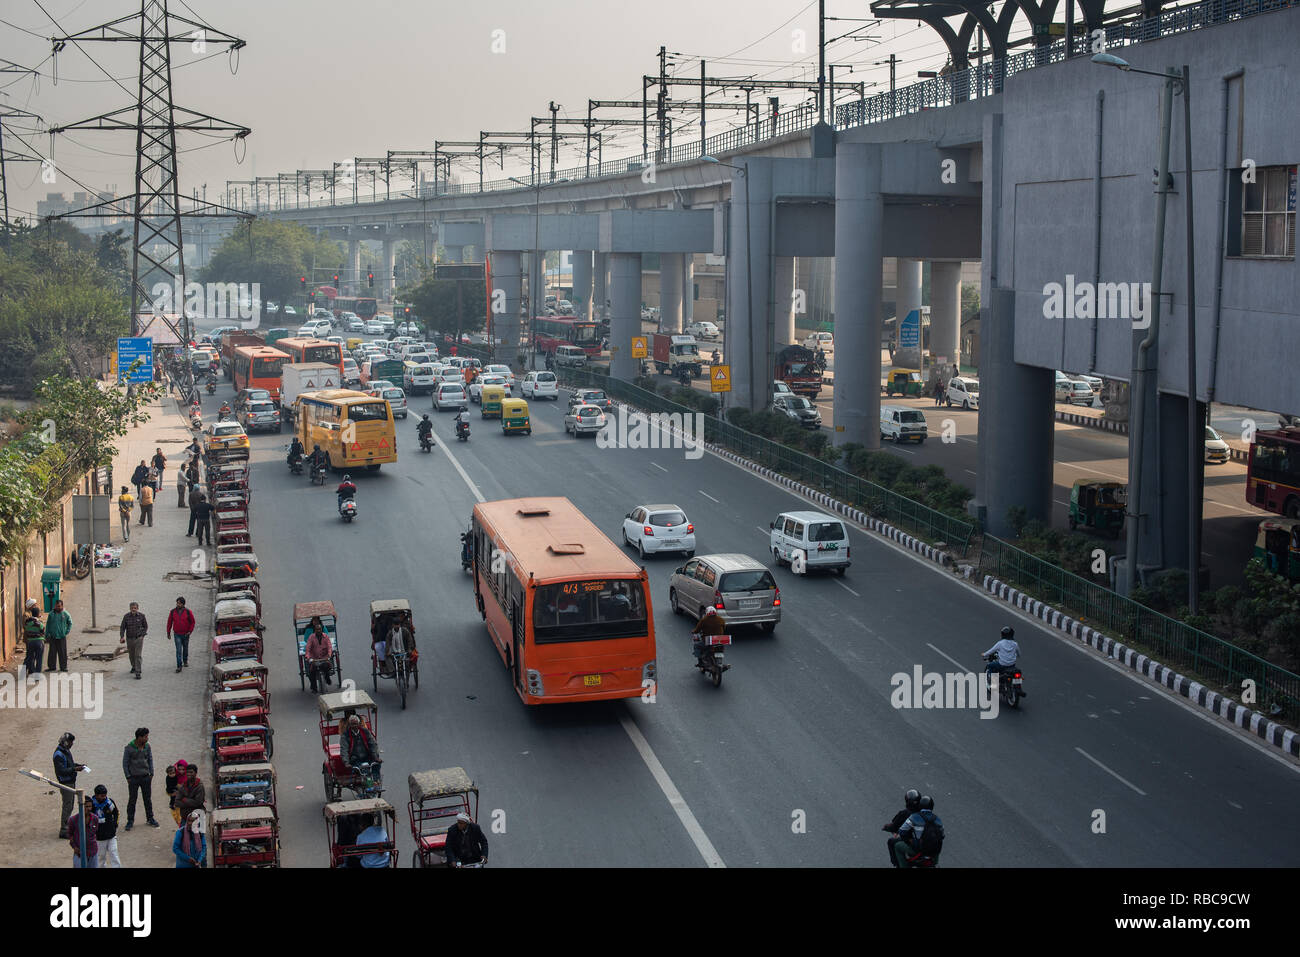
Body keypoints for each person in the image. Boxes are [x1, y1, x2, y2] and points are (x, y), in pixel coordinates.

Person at [121, 727, 159, 829]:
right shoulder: (129, 748)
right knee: (132, 799)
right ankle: (130, 820)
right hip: (133, 778)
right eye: (145, 737)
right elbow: (125, 763)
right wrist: (128, 776)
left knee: (147, 799)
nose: (147, 738)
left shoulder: (147, 747)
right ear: (139, 737)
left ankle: (150, 818)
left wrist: (151, 773)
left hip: (146, 777)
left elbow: (150, 759)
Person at [894, 795, 944, 867]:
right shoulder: (938, 819)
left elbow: (902, 831)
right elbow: (942, 836)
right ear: (932, 806)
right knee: (936, 847)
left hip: (919, 850)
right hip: (934, 852)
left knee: (898, 846)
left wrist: (909, 840)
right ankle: (935, 863)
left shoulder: (914, 817)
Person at [53, 733, 86, 838]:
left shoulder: (64, 751)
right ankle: (64, 829)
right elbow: (61, 770)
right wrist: (75, 769)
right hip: (66, 783)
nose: (72, 744)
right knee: (67, 805)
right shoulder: (59, 754)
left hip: (70, 781)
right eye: (71, 742)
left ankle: (66, 826)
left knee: (70, 804)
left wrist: (77, 766)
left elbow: (69, 765)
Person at [884, 788, 922, 868]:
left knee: (892, 842)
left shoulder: (905, 813)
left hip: (915, 843)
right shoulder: (925, 813)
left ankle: (897, 864)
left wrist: (886, 827)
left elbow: (893, 826)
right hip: (928, 843)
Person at [92, 785, 121, 868]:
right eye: (102, 796)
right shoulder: (92, 806)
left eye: (105, 795)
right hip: (99, 837)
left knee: (114, 854)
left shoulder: (109, 802)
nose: (104, 797)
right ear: (96, 795)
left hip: (111, 835)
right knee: (101, 857)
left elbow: (116, 813)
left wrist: (115, 824)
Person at [119, 601, 149, 678]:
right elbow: (122, 627)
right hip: (129, 639)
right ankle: (134, 666)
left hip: (139, 638)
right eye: (132, 608)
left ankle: (138, 672)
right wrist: (122, 637)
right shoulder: (126, 617)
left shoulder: (142, 616)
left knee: (138, 655)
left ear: (137, 608)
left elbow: (145, 626)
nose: (133, 609)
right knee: (131, 655)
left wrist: (142, 635)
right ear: (130, 608)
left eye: (135, 608)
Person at [67, 796, 99, 868]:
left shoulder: (95, 818)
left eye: (90, 806)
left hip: (92, 852)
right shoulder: (73, 820)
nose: (89, 809)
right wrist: (74, 847)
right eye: (86, 806)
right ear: (81, 807)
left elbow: (95, 832)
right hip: (79, 853)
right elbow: (70, 835)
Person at [166, 596, 195, 673]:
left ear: (183, 604)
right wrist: (168, 632)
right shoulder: (172, 612)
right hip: (177, 634)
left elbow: (192, 622)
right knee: (178, 650)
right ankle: (179, 666)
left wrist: (190, 631)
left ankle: (185, 660)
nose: (178, 604)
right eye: (177, 603)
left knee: (185, 648)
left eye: (179, 603)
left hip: (186, 634)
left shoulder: (188, 612)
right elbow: (169, 622)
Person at [304, 620, 335, 693]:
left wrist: (329, 655)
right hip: (314, 658)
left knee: (326, 667)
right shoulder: (311, 637)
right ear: (315, 630)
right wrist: (308, 657)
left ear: (322, 629)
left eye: (320, 629)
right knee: (312, 671)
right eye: (317, 629)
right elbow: (308, 649)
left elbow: (329, 647)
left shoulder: (326, 636)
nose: (318, 630)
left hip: (324, 657)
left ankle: (327, 678)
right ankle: (314, 688)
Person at [44, 599, 72, 672]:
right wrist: (47, 634)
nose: (58, 607)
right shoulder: (51, 614)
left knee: (62, 652)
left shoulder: (65, 614)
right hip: (53, 636)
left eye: (59, 606)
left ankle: (63, 667)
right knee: (52, 652)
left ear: (62, 606)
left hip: (61, 636)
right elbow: (48, 625)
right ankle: (52, 666)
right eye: (56, 606)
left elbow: (70, 623)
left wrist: (66, 631)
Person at [22, 606, 45, 676]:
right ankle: (37, 675)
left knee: (29, 657)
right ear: (38, 614)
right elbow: (43, 631)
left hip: (30, 642)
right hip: (39, 642)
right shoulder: (39, 623)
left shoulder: (27, 623)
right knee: (39, 659)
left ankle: (23, 673)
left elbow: (26, 629)